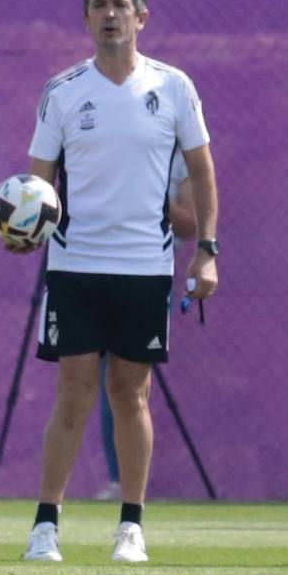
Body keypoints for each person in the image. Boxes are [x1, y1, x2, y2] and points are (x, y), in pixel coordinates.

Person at [2, 0, 218, 563]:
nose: (110, 14)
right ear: (87, 18)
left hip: (145, 267)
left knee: (132, 394)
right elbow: (36, 186)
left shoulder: (174, 88)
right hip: (76, 265)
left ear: (141, 18)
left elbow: (202, 172)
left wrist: (208, 250)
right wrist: (24, 230)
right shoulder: (64, 91)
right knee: (72, 393)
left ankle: (131, 526)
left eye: (121, 5)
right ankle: (46, 526)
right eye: (100, 5)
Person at [94, 164, 197, 502]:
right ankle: (114, 481)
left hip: (148, 272)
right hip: (91, 265)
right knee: (84, 379)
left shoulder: (182, 151)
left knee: (128, 383)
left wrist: (148, 193)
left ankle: (128, 488)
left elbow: (188, 225)